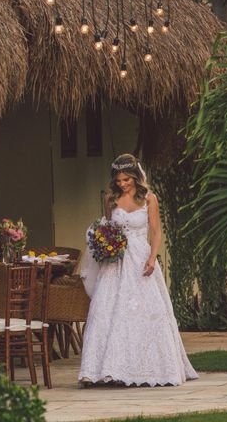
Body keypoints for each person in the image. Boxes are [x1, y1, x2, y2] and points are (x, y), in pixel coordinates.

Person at [78, 153, 198, 387]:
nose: (122, 184)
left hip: (140, 258)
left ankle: (146, 369)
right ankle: (104, 370)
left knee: (143, 312)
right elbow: (106, 227)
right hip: (115, 261)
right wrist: (104, 243)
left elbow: (156, 232)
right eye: (119, 180)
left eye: (127, 180)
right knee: (107, 311)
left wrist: (152, 258)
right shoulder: (110, 199)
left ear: (135, 177)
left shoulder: (149, 198)